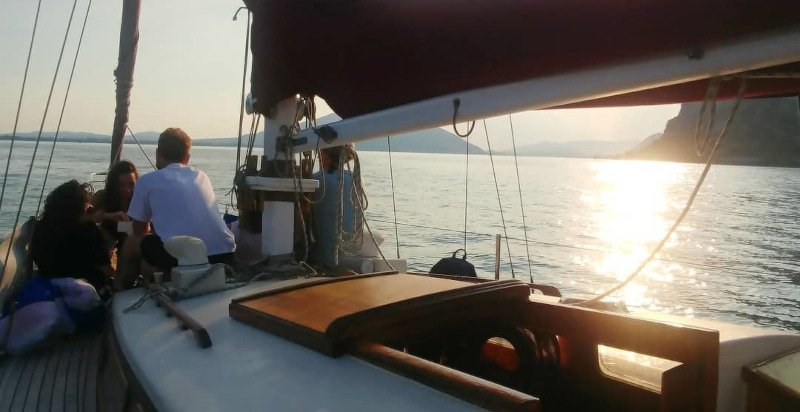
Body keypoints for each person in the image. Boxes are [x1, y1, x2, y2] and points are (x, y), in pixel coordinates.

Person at [125, 128, 235, 277]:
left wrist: (121, 226)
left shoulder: (146, 181)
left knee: (133, 241)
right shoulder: (202, 176)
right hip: (225, 256)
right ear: (187, 158)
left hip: (183, 261)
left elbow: (139, 230)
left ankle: (119, 290)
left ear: (158, 154)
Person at [31, 180, 114, 299]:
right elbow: (108, 270)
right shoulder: (87, 231)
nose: (89, 207)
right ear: (79, 208)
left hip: (50, 289)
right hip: (83, 291)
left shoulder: (41, 227)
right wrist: (111, 258)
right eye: (86, 205)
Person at [310, 144, 364, 268]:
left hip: (325, 259)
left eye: (320, 154)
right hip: (352, 255)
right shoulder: (356, 179)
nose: (319, 158)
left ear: (327, 156)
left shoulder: (317, 180)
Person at [90, 160, 138, 253]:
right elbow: (83, 219)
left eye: (131, 184)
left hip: (130, 249)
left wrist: (121, 226)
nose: (127, 189)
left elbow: (145, 228)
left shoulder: (141, 201)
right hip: (103, 248)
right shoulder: (102, 197)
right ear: (114, 183)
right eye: (121, 184)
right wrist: (107, 216)